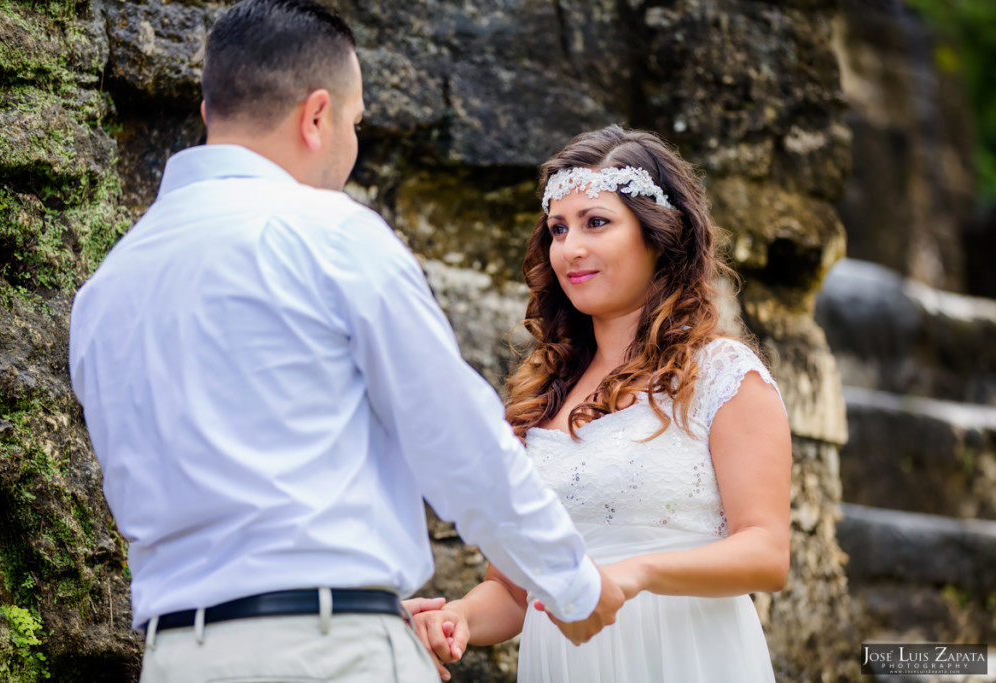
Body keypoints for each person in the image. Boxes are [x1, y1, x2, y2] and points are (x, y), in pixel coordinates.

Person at [66, 2, 625, 681]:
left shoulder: (105, 288)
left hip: (177, 655)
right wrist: (574, 583)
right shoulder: (329, 235)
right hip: (329, 648)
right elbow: (458, 442)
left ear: (212, 112)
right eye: (355, 124)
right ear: (317, 116)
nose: (351, 146)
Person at [412, 125, 792, 682]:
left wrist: (634, 573)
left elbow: (766, 552)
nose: (571, 248)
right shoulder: (539, 399)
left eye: (596, 222)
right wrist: (460, 618)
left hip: (684, 657)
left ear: (657, 234)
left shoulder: (724, 377)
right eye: (558, 229)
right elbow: (514, 592)